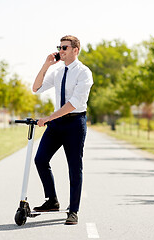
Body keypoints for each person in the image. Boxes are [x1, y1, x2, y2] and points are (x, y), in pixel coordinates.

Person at [32, 35, 93, 225]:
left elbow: (74, 103)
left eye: (65, 47)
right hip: (57, 124)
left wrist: (49, 118)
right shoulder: (58, 72)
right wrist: (46, 64)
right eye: (59, 47)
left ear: (75, 50)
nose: (61, 50)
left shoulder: (84, 72)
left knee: (74, 167)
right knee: (40, 159)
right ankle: (52, 200)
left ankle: (73, 210)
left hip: (75, 123)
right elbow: (36, 88)